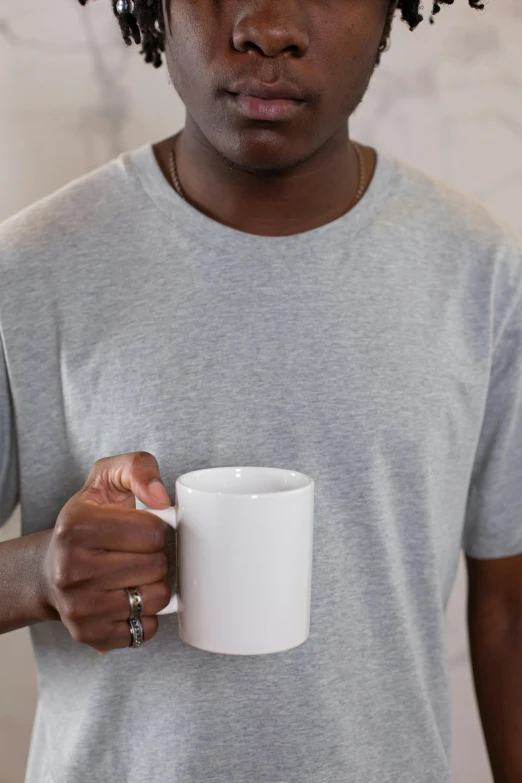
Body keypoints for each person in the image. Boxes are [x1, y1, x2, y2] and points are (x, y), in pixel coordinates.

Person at [0, 0, 521, 780]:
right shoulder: (30, 269)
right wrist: (37, 575)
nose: (268, 26)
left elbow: (509, 610)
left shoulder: (480, 271)